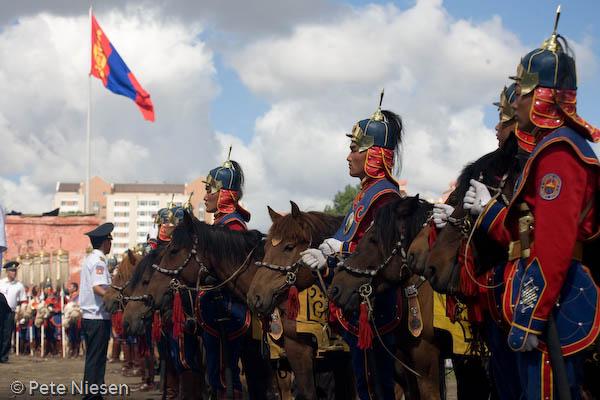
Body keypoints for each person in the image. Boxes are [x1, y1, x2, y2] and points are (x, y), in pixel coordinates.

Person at [464, 10, 600, 399]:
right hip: (541, 296)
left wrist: (532, 315)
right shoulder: (548, 148)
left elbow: (553, 247)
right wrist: (490, 211)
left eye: (522, 90)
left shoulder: (559, 152)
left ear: (543, 96)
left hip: (553, 305)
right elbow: (521, 229)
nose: (516, 101)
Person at [301, 92, 404, 399]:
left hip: (375, 302)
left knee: (374, 385)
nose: (348, 156)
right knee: (364, 382)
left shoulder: (384, 196)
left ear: (373, 154)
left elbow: (373, 252)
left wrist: (334, 254)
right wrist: (328, 251)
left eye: (354, 149)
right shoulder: (365, 194)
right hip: (356, 296)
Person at [199, 152, 253, 399]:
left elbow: (233, 270)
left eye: (210, 190)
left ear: (223, 193)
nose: (205, 196)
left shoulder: (233, 224)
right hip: (214, 305)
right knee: (215, 372)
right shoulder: (219, 224)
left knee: (224, 372)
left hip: (229, 308)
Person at [79, 222, 114, 399]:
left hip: (91, 317)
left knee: (94, 358)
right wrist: (115, 298)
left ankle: (92, 393)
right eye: (110, 240)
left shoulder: (91, 259)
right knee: (96, 358)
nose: (111, 243)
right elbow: (98, 288)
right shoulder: (98, 260)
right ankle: (93, 395)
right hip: (97, 317)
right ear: (105, 242)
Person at [0, 261, 27, 362]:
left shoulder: (19, 285)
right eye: (12, 271)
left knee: (7, 334)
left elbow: (23, 301)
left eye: (15, 271)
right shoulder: (1, 283)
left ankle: (3, 356)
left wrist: (21, 313)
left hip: (10, 312)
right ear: (7, 272)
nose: (14, 273)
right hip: (0, 310)